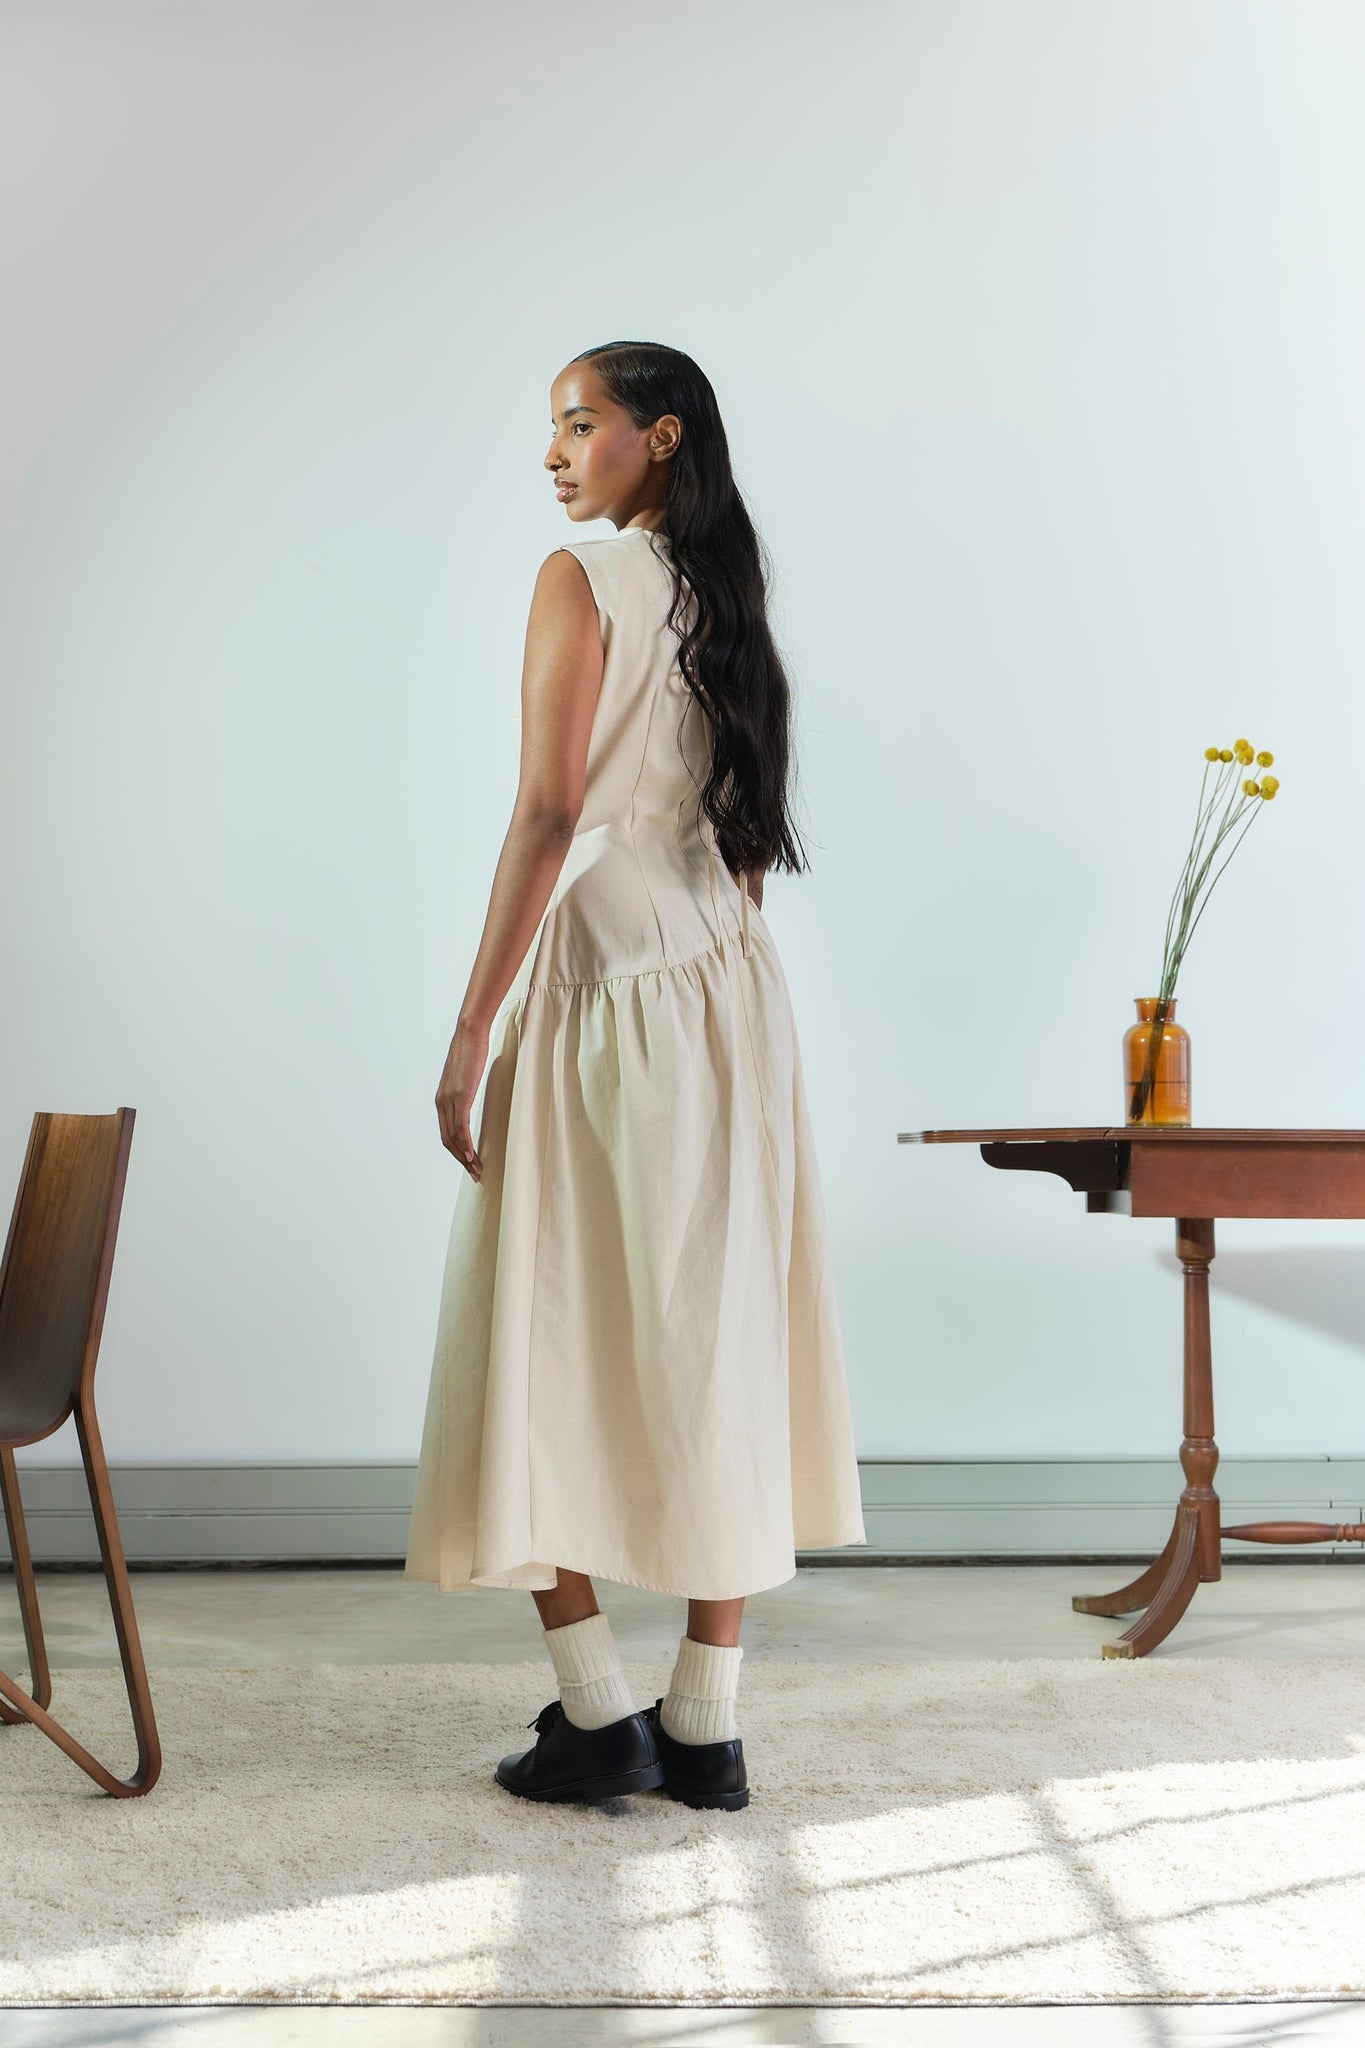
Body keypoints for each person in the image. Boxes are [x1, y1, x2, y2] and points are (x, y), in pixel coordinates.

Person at [404, 340, 866, 1811]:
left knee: (539, 1328)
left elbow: (546, 813)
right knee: (717, 1328)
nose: (554, 454)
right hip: (729, 988)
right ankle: (706, 1725)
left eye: (578, 423)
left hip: (605, 980)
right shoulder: (728, 602)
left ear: (655, 439)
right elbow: (741, 838)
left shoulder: (579, 578)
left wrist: (471, 1026)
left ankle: (598, 1709)